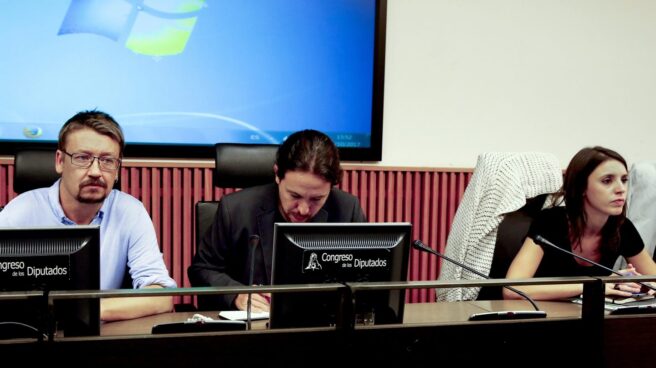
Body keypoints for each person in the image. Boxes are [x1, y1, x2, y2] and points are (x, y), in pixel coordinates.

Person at [0, 110, 176, 321]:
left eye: (107, 160)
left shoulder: (130, 211)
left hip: (100, 342)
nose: (95, 171)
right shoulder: (20, 213)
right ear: (59, 161)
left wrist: (83, 311)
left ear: (117, 169)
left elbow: (161, 296)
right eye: (82, 158)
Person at [188, 129, 366, 311]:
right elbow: (202, 270)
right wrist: (236, 295)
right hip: (257, 331)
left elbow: (367, 276)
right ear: (277, 174)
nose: (303, 209)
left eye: (316, 199)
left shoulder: (347, 209)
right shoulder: (235, 209)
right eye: (294, 195)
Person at [504, 146, 656, 300]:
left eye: (624, 180)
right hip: (544, 317)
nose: (621, 189)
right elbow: (512, 290)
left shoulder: (622, 227)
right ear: (581, 186)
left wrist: (640, 285)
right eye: (607, 181)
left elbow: (653, 278)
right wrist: (598, 285)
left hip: (591, 317)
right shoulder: (551, 222)